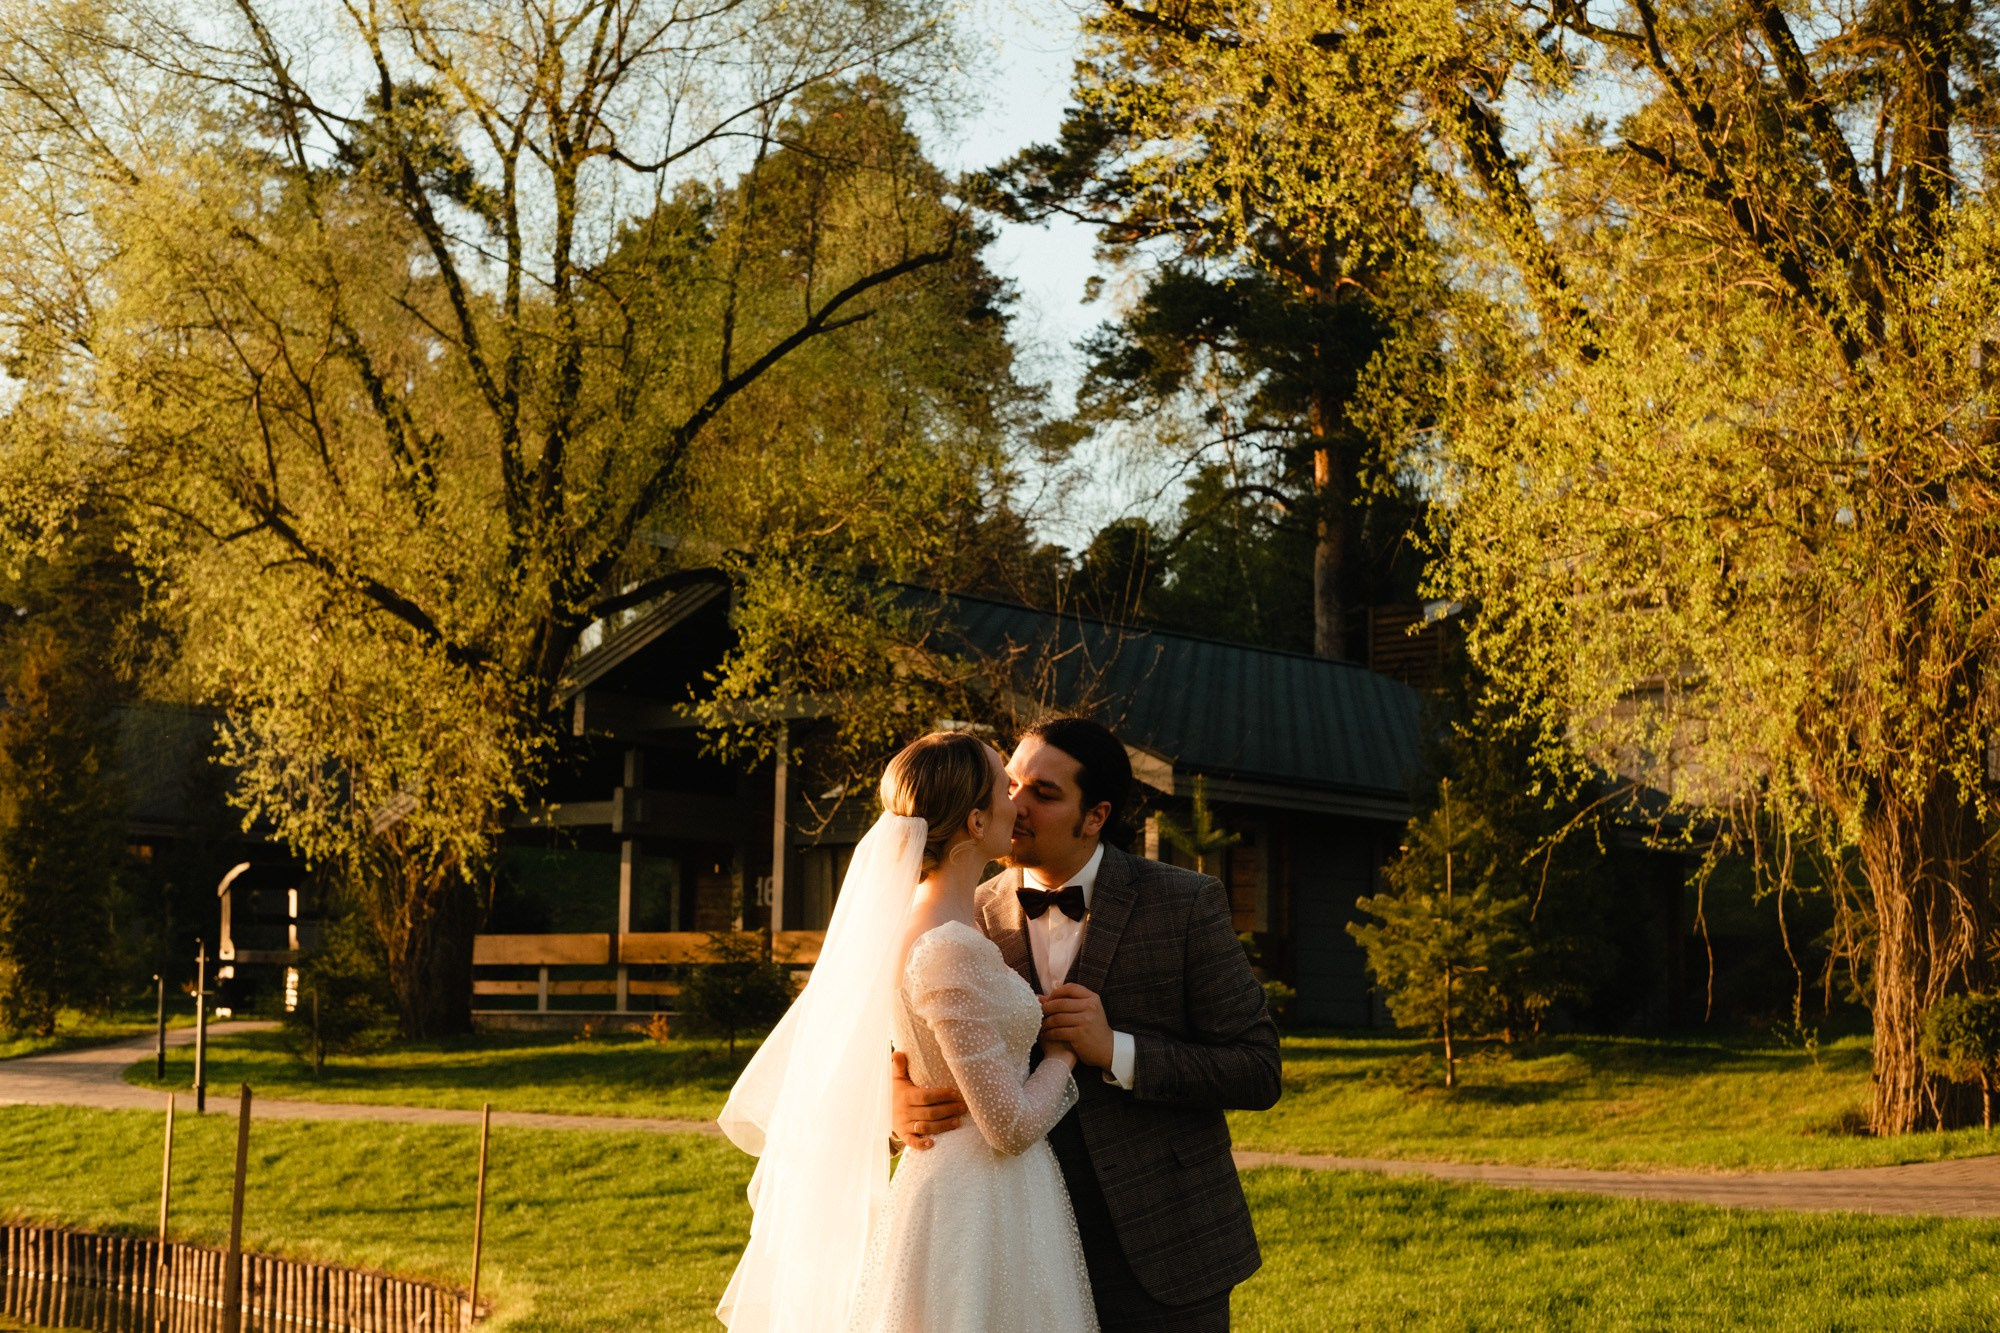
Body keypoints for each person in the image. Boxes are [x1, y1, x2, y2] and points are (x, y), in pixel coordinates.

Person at [894, 717, 1282, 1331]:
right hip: (1006, 1246)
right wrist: (899, 1103)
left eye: (1044, 795)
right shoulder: (956, 913)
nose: (1016, 806)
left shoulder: (1186, 903)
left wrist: (1116, 1050)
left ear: (1095, 815)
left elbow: (1258, 1069)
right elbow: (879, 1047)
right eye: (1013, 785)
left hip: (1161, 1247)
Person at [716, 730, 1096, 1332]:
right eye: (1004, 789)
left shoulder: (928, 925)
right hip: (977, 1201)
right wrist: (1064, 1053)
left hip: (965, 1184)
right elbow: (1009, 1125)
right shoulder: (948, 947)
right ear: (975, 822)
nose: (1015, 804)